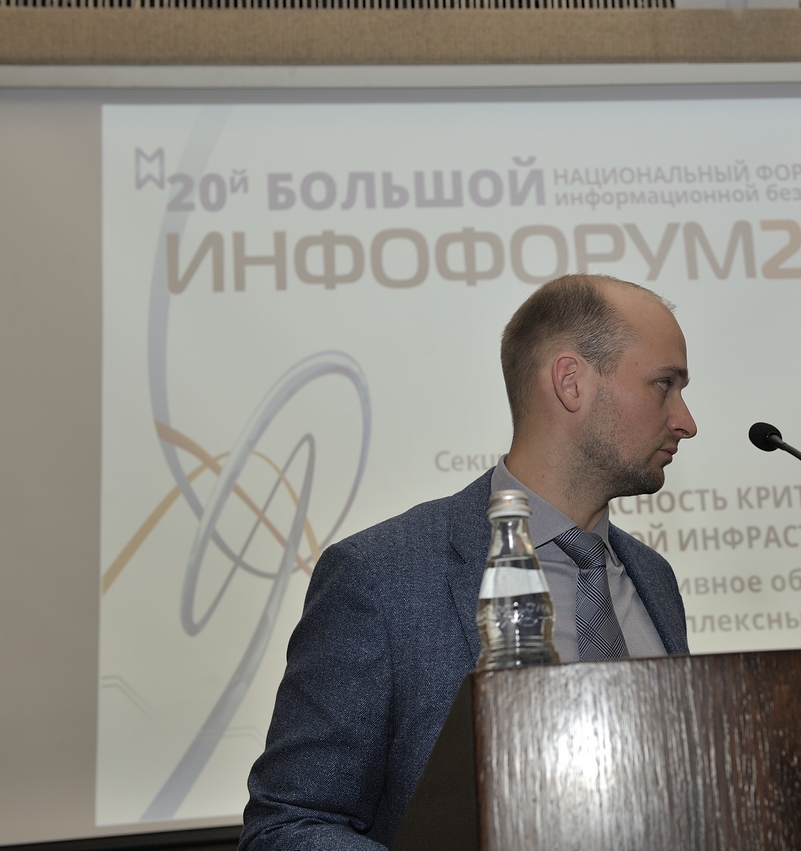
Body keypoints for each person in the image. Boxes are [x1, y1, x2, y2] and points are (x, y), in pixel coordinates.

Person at [239, 274, 697, 851]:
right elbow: (287, 827)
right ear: (571, 382)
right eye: (664, 385)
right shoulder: (381, 578)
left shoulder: (653, 579)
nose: (686, 421)